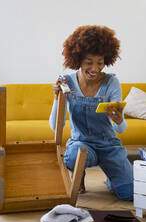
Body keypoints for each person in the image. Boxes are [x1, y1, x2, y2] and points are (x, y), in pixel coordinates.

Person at [49, 25, 133, 201]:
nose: (95, 69)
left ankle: (113, 179)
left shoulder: (112, 83)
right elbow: (54, 125)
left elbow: (122, 130)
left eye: (100, 62)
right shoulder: (67, 82)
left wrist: (118, 120)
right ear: (77, 60)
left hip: (109, 146)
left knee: (129, 193)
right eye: (89, 62)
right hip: (82, 145)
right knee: (73, 156)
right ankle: (79, 175)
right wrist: (57, 97)